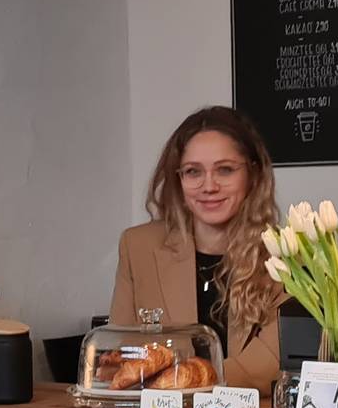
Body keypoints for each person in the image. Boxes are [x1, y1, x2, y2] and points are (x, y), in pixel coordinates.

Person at [110, 106, 281, 393]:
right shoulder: (138, 246)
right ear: (178, 179)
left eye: (225, 170)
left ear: (253, 174)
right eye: (193, 172)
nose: (209, 186)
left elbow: (270, 366)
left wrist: (186, 378)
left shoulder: (290, 255)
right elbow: (121, 353)